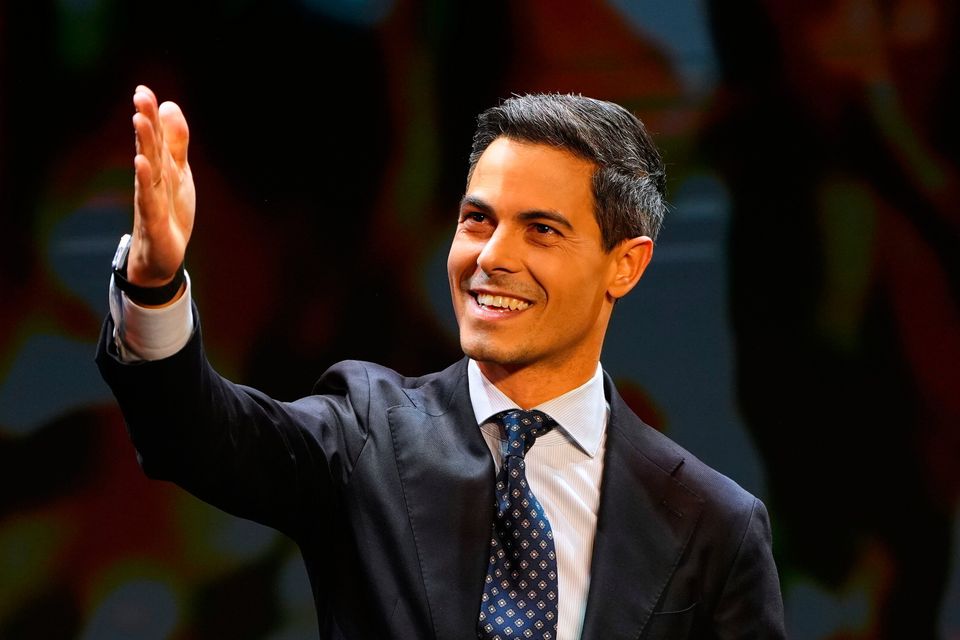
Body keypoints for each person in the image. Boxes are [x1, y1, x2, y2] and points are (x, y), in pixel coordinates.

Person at [96, 85, 786, 639]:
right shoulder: (368, 432)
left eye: (540, 230)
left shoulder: (711, 525)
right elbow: (192, 434)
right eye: (478, 220)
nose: (491, 258)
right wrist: (154, 286)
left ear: (626, 266)